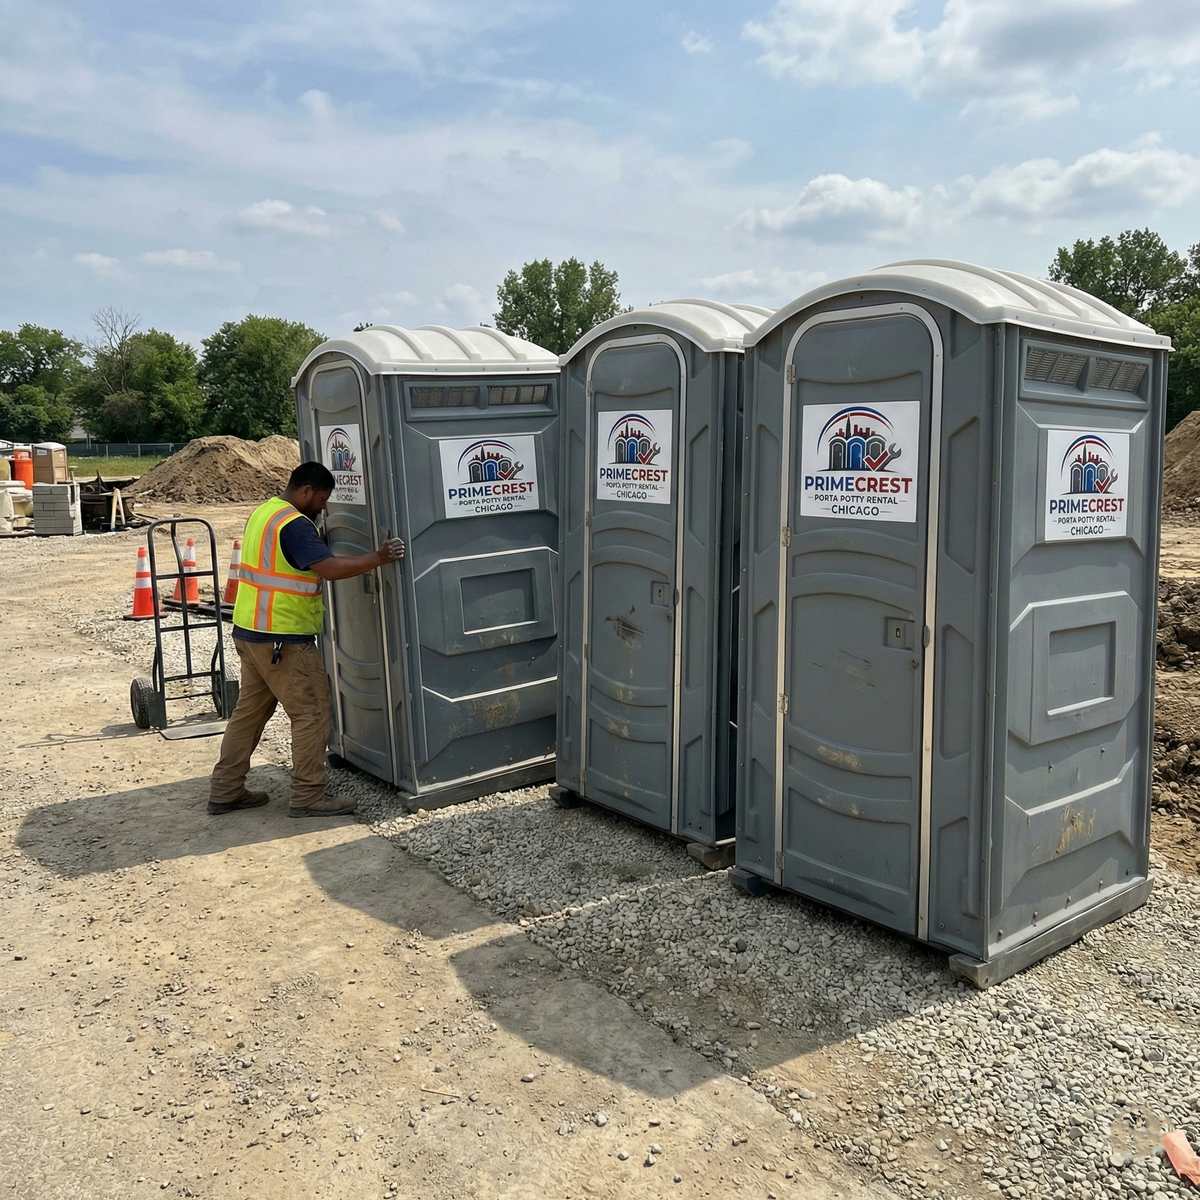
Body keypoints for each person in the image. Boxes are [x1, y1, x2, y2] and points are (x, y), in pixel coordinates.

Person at [209, 461, 405, 817]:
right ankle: (308, 796)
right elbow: (328, 570)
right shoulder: (295, 526)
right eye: (322, 498)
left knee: (248, 715)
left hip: (251, 633)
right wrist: (377, 558)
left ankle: (225, 790)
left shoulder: (265, 512)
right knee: (311, 713)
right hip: (283, 641)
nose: (324, 506)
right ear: (305, 491)